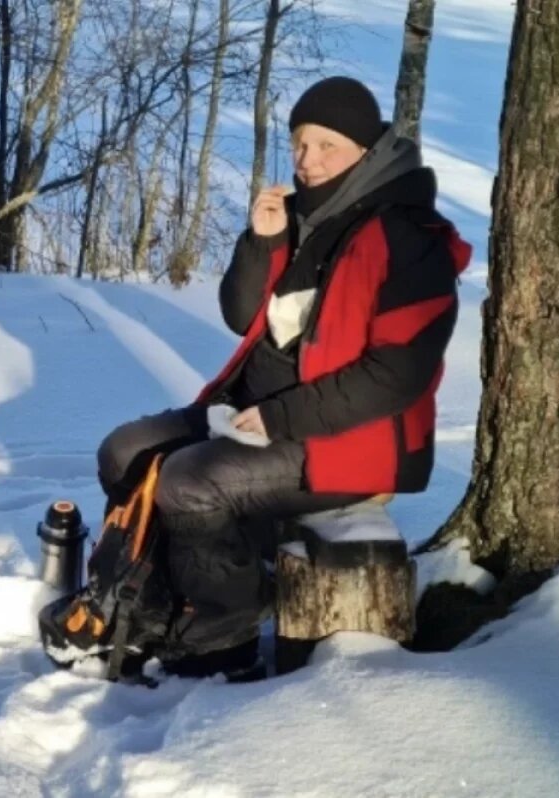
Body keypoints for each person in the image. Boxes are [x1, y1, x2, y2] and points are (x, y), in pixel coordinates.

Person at [96, 76, 471, 673]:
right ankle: (152, 595)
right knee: (126, 451)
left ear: (367, 152)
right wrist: (261, 242)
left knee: (190, 482)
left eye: (328, 145)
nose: (307, 160)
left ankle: (222, 643)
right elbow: (240, 313)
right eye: (299, 143)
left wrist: (278, 416)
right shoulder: (298, 219)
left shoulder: (408, 239)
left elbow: (397, 375)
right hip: (253, 411)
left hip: (351, 440)